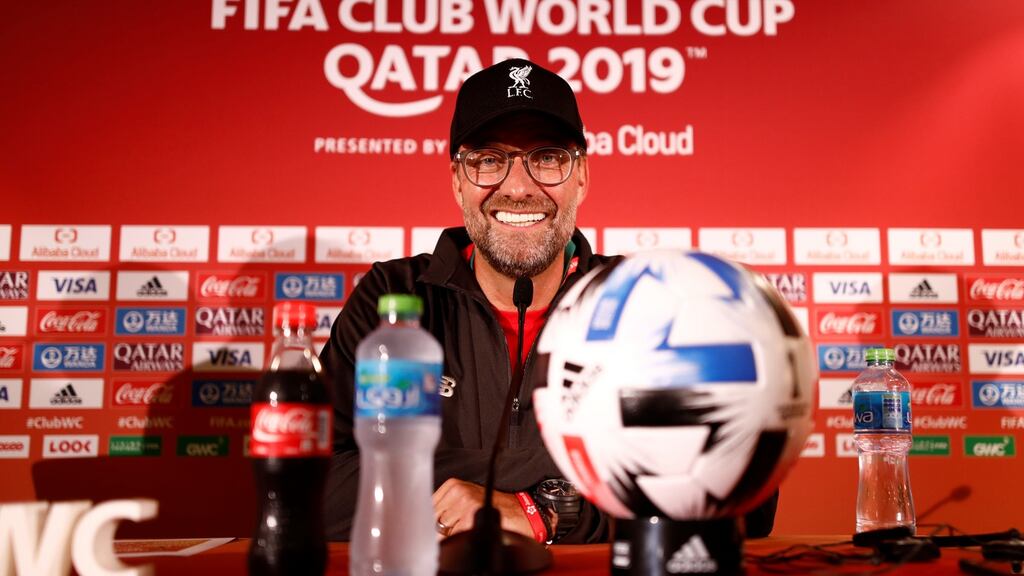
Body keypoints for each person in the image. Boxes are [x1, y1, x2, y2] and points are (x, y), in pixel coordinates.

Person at [320, 58, 777, 544]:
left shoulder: (646, 300)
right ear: (457, 181)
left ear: (581, 176)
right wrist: (586, 470)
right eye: (489, 160)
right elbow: (313, 486)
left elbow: (743, 493)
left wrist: (549, 510)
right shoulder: (393, 297)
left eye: (547, 157)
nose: (518, 188)